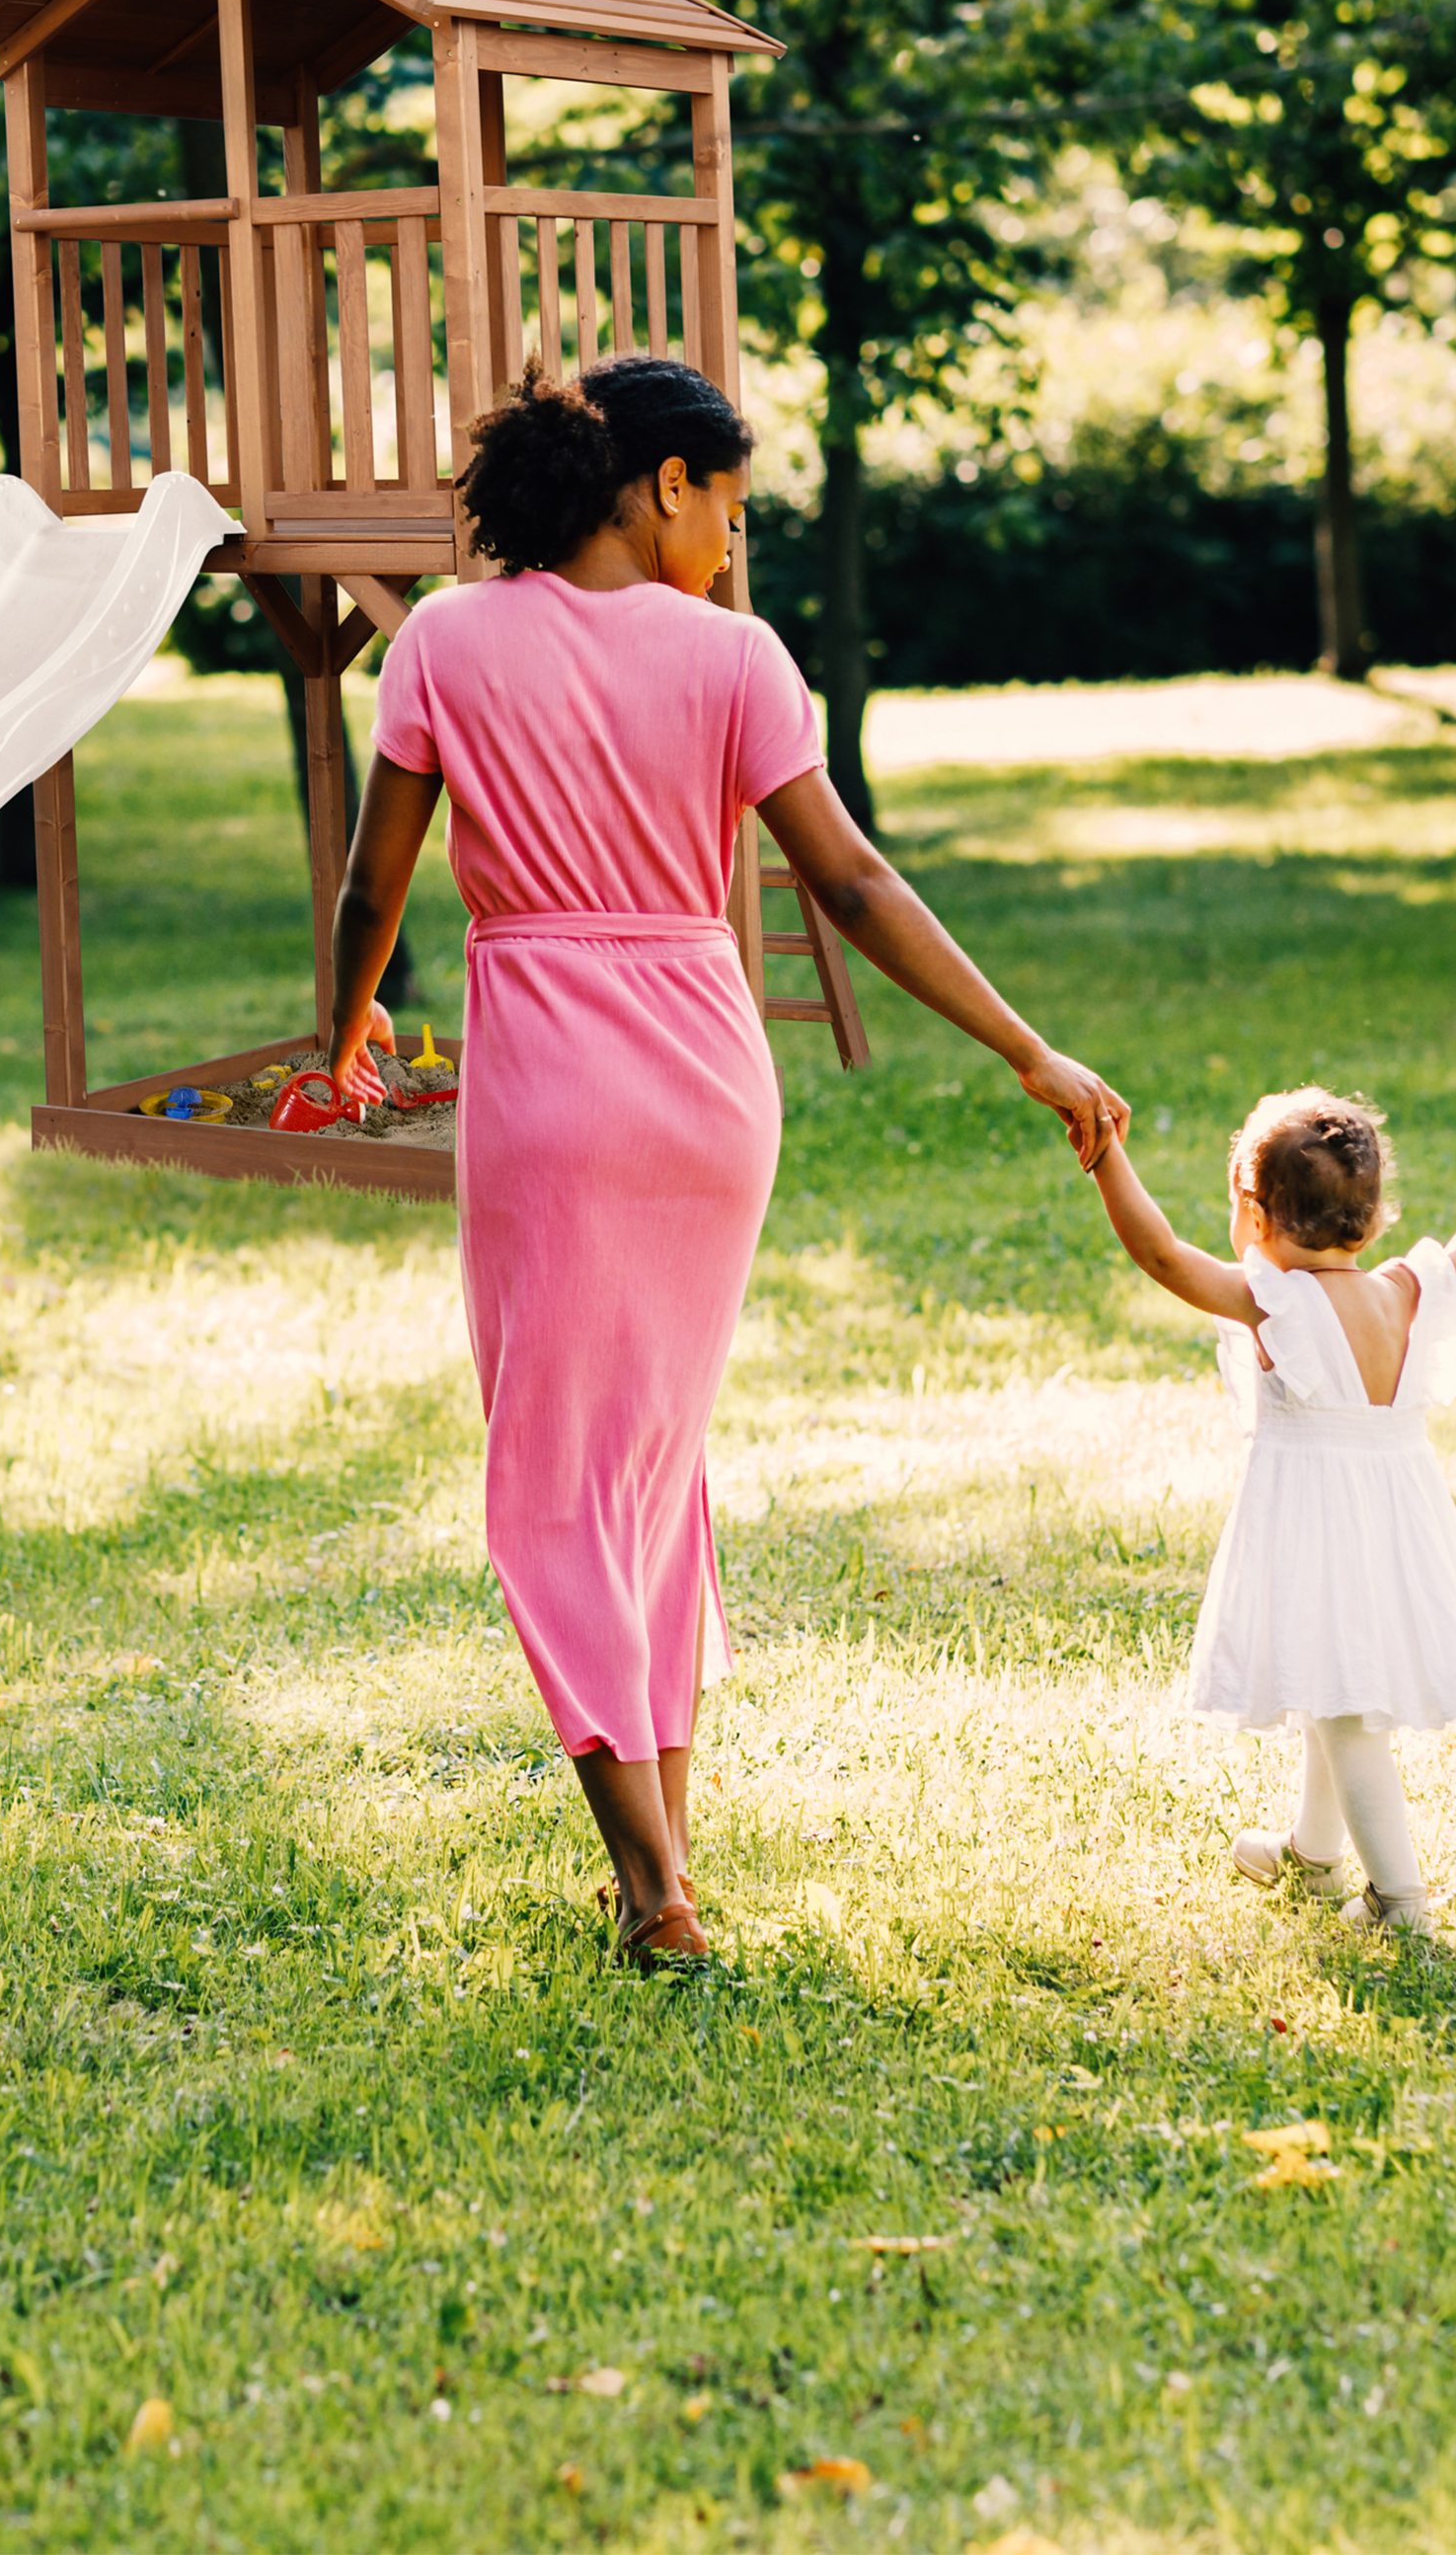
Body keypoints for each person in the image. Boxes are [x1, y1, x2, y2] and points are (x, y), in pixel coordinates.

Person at [319, 355, 1128, 1970]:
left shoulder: (445, 643)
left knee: (555, 1484)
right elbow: (854, 884)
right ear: (665, 484)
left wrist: (341, 1038)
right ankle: (667, 1859)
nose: (734, 544)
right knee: (651, 1470)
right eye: (732, 509)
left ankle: (653, 1891)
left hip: (550, 1091)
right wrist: (1026, 1047)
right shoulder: (738, 659)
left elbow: (371, 887)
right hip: (708, 1090)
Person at [1083, 1089, 1456, 1934]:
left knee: (1347, 1716)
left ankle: (1399, 1901)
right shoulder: (1404, 1290)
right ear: (1371, 1219)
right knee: (1329, 1683)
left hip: (1320, 1532)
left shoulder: (1276, 1303)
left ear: (1255, 1215)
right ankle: (1312, 1855)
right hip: (1397, 1529)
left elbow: (1160, 1254)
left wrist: (1105, 1157)